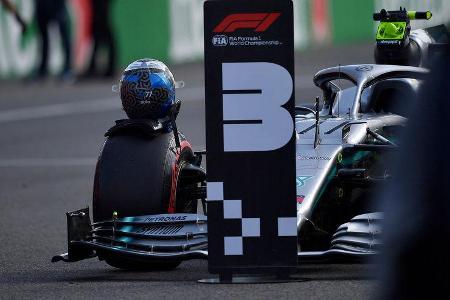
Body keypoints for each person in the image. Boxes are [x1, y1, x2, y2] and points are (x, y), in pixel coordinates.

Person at [34, 0, 72, 80]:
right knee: (43, 38)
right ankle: (43, 69)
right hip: (42, 4)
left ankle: (68, 69)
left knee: (65, 37)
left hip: (57, 4)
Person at [85, 0, 116, 78]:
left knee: (105, 36)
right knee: (98, 37)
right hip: (98, 9)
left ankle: (109, 69)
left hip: (101, 9)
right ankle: (94, 67)